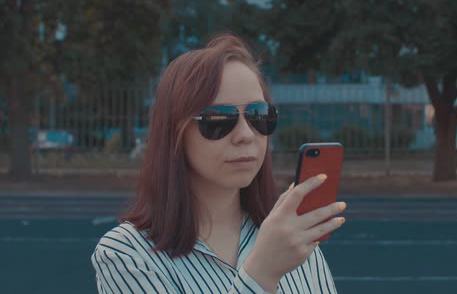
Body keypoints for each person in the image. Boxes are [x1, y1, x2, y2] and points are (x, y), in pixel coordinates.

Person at [91, 34, 347, 293]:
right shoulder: (127, 253)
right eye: (218, 120)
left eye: (259, 115)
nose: (246, 134)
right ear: (175, 133)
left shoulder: (290, 237)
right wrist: (260, 274)